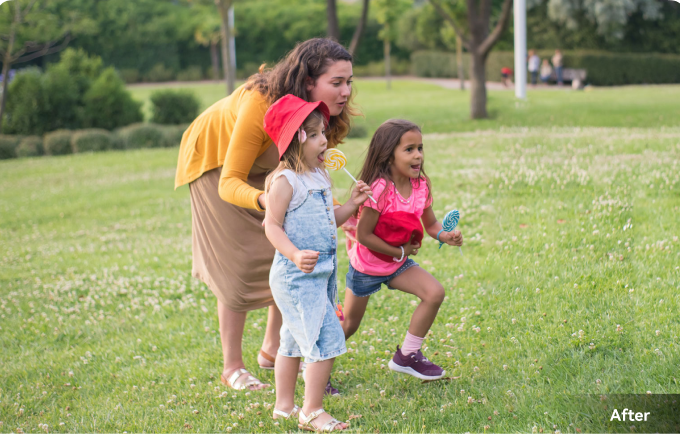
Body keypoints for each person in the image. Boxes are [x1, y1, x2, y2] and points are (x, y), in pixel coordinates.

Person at [174, 38, 359, 392]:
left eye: (349, 81)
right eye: (336, 83)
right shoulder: (262, 103)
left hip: (273, 166)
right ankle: (232, 367)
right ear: (308, 82)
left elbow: (312, 173)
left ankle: (274, 349)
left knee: (291, 249)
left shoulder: (322, 116)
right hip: (216, 160)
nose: (346, 91)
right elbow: (230, 182)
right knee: (239, 262)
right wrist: (269, 202)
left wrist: (338, 211)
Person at [263, 95, 371, 431]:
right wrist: (294, 253)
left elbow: (328, 220)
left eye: (323, 133)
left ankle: (284, 406)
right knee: (325, 338)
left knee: (293, 341)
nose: (324, 140)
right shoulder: (286, 181)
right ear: (296, 139)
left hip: (320, 275)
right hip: (294, 276)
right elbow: (271, 225)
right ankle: (311, 410)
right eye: (315, 135)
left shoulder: (320, 175)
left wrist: (352, 204)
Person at [340, 119, 464, 381]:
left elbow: (429, 224)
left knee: (434, 292)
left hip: (397, 262)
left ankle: (407, 355)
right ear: (388, 155)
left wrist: (445, 235)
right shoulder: (379, 189)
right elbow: (363, 235)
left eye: (420, 147)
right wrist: (400, 251)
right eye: (409, 149)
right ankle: (314, 361)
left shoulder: (421, 185)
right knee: (349, 324)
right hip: (368, 265)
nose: (418, 155)